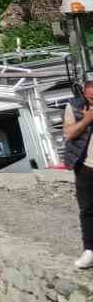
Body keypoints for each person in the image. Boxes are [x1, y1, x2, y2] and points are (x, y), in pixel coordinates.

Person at [64, 71, 93, 268]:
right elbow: (69, 134)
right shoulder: (73, 106)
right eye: (90, 93)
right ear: (84, 91)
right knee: (88, 210)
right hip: (85, 166)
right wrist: (87, 119)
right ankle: (89, 251)